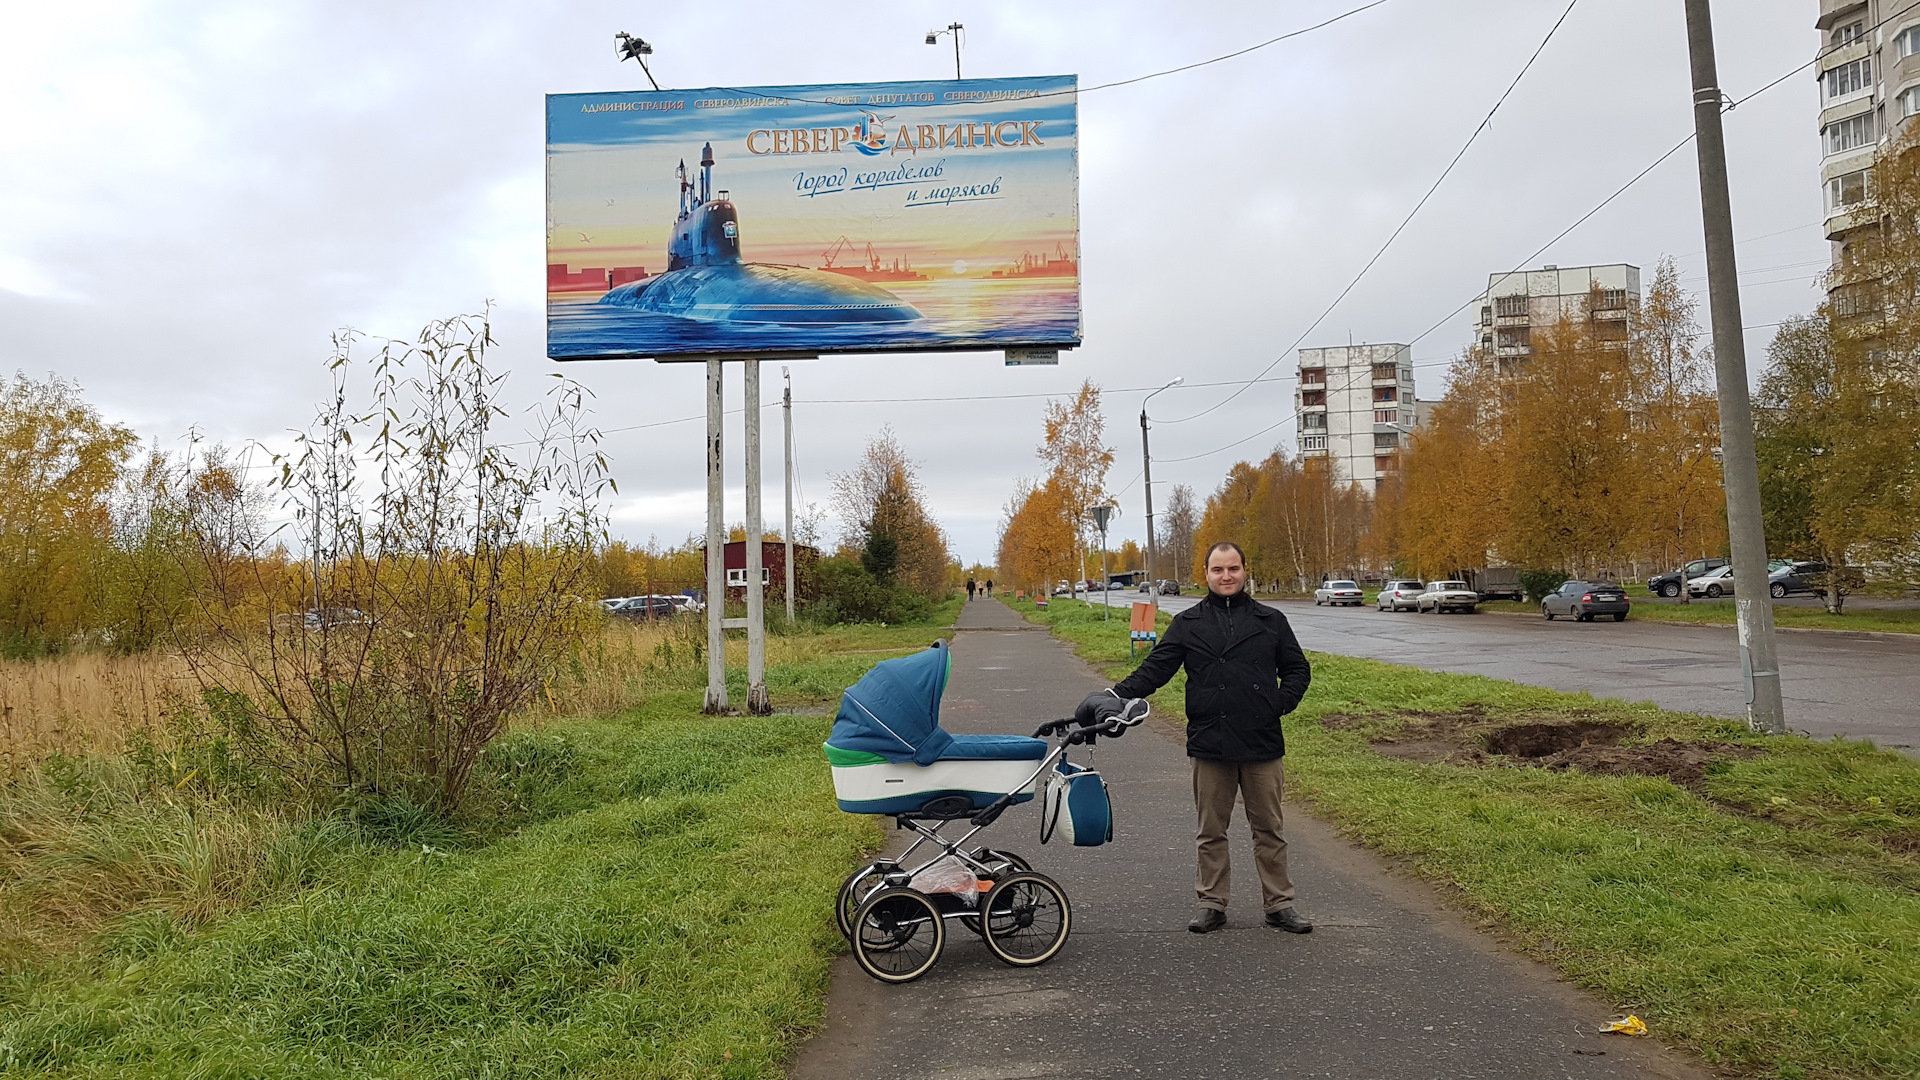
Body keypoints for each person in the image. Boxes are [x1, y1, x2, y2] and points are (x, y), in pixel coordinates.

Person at [1080, 541, 1313, 935]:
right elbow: (1155, 669)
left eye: (1233, 569)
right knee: (1211, 830)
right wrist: (1115, 696)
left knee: (1269, 828)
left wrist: (1278, 703)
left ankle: (1279, 903)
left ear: (1244, 570)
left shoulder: (1271, 620)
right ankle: (1212, 902)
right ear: (1205, 573)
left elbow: (1297, 670)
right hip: (1210, 740)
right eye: (1218, 570)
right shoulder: (1188, 624)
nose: (1226, 577)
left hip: (1262, 741)